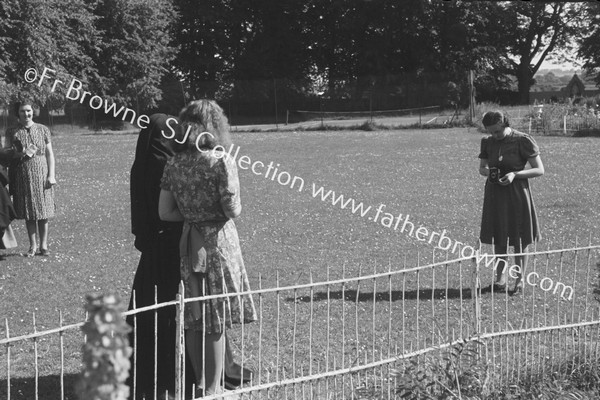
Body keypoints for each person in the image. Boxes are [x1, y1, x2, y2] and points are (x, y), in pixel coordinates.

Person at [158, 100, 257, 397]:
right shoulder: (220, 159)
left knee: (194, 314)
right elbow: (232, 209)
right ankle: (212, 390)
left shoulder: (173, 163)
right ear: (216, 127)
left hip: (189, 242)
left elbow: (164, 212)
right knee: (215, 318)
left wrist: (192, 216)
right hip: (218, 243)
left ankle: (201, 381)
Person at [128, 113, 186, 399]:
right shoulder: (168, 164)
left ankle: (144, 369)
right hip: (173, 246)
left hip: (152, 251)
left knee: (147, 309)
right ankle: (172, 369)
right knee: (174, 308)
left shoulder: (140, 164)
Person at [478, 110, 544, 294]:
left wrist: (515, 174)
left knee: (520, 238)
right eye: (490, 132)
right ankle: (500, 279)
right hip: (495, 193)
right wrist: (489, 172)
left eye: (497, 131)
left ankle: (520, 280)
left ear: (505, 124)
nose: (494, 135)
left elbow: (539, 169)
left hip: (517, 193)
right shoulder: (487, 142)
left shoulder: (522, 140)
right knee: (499, 237)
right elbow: (481, 168)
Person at [4, 101, 56, 257]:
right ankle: (32, 246)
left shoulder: (43, 129)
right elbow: (7, 155)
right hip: (21, 173)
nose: (26, 114)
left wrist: (51, 175)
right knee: (29, 211)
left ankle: (44, 246)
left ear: (33, 112)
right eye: (22, 111)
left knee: (43, 209)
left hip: (41, 172)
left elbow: (49, 154)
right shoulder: (12, 131)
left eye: (28, 111)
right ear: (17, 113)